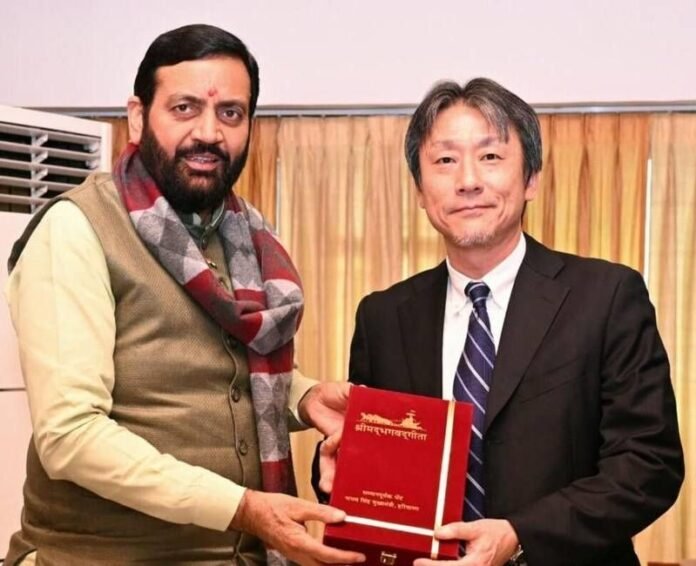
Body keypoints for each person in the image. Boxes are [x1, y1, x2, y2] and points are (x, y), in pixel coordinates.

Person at [4, 24, 366, 566]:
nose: (209, 133)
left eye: (230, 113)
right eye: (184, 108)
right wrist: (242, 508)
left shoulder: (246, 233)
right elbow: (71, 436)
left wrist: (305, 397)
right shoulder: (77, 229)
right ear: (137, 116)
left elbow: (227, 373)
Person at [319, 78, 683, 566]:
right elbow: (373, 475)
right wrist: (339, 473)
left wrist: (519, 535)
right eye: (445, 160)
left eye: (490, 156)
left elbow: (649, 464)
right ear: (420, 191)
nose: (468, 180)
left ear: (531, 179)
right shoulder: (383, 317)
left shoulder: (606, 296)